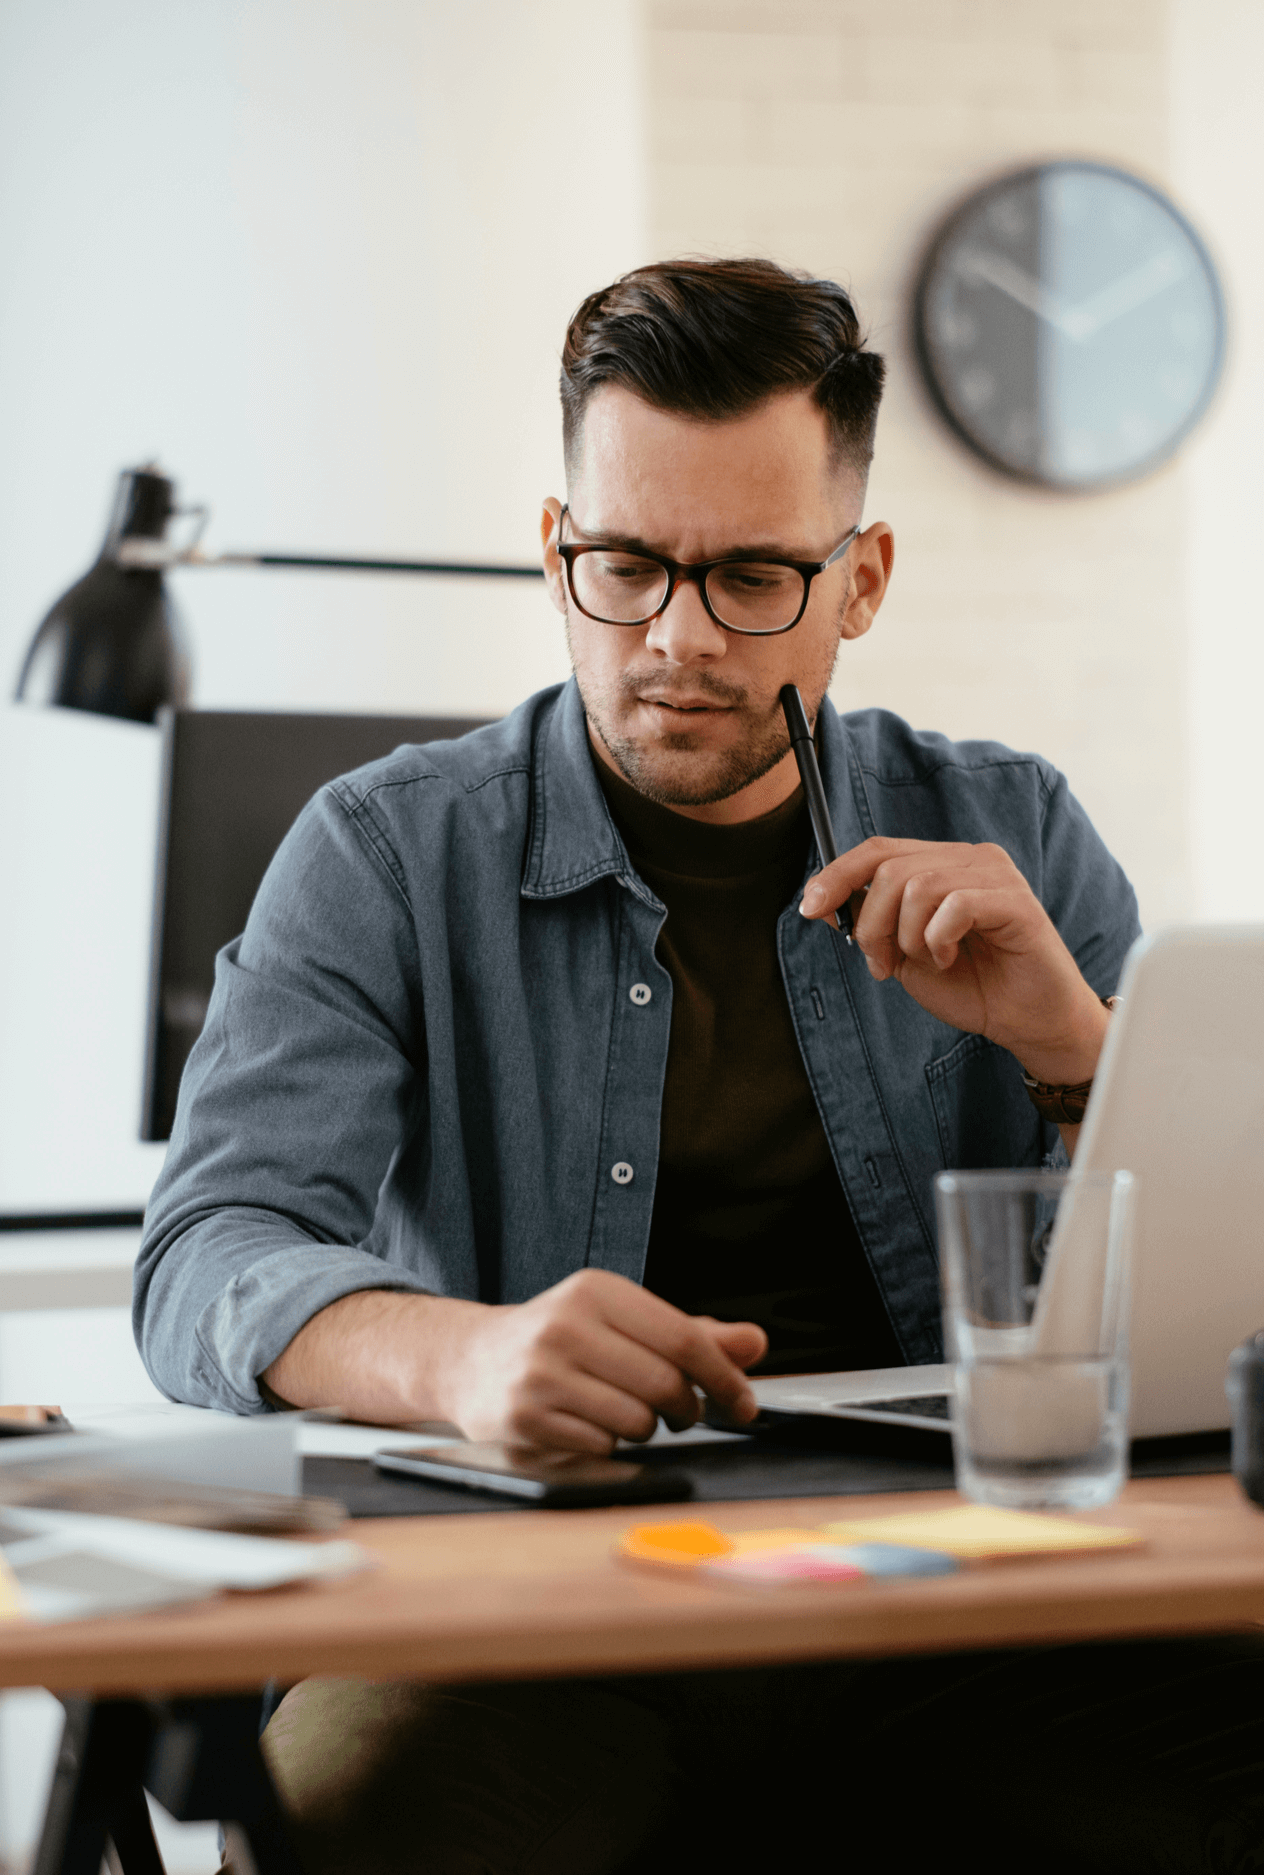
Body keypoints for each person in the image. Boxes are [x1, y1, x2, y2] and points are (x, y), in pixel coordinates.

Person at [137, 260, 1264, 1874]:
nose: (675, 636)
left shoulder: (1016, 831)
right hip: (536, 1627)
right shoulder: (384, 853)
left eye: (750, 576)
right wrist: (456, 1359)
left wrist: (1076, 1050)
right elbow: (204, 1255)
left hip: (973, 1615)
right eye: (625, 566)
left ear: (860, 578)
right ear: (556, 550)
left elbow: (1210, 1326)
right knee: (360, 1816)